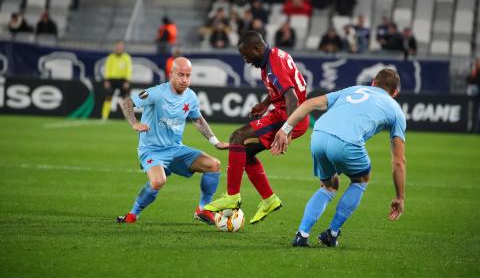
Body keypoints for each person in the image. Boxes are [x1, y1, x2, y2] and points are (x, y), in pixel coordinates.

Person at [270, 69, 406, 247]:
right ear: (395, 93)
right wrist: (400, 197)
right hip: (347, 143)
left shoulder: (352, 90)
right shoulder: (396, 110)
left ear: (373, 82)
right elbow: (398, 161)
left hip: (318, 135)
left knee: (329, 185)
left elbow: (309, 103)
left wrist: (285, 129)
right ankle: (332, 234)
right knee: (361, 179)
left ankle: (301, 235)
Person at [204, 31, 309, 224]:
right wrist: (264, 104)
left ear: (256, 48)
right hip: (289, 113)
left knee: (237, 137)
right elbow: (285, 86)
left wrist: (286, 131)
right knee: (244, 152)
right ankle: (269, 199)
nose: (246, 60)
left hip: (290, 115)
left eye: (246, 56)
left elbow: (292, 97)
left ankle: (232, 196)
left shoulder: (273, 64)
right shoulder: (275, 56)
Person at [117, 57, 229, 224]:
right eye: (181, 75)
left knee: (214, 165)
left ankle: (203, 210)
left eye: (188, 75)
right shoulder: (156, 93)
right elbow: (127, 102)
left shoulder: (190, 96)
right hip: (151, 150)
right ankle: (133, 214)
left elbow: (197, 120)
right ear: (171, 74)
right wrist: (135, 123)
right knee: (158, 181)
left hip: (176, 149)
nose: (185, 80)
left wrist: (215, 141)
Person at [101, 41, 133, 120]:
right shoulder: (111, 57)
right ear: (116, 47)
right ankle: (104, 117)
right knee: (108, 97)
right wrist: (106, 80)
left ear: (123, 48)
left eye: (121, 47)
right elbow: (107, 69)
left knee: (126, 98)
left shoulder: (127, 57)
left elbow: (129, 70)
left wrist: (127, 81)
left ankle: (128, 117)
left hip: (123, 80)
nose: (119, 48)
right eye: (118, 47)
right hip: (111, 80)